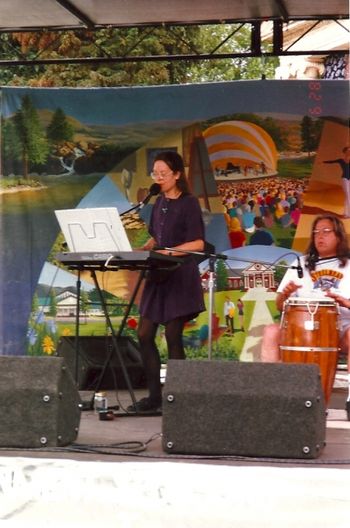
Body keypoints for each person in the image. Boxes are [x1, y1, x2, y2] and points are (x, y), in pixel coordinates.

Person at [128, 151, 206, 414]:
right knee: (144, 333)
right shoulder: (157, 202)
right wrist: (142, 250)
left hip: (180, 274)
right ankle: (154, 398)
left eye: (163, 173)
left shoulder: (189, 203)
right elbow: (155, 239)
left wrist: (167, 252)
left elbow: (198, 243)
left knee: (173, 334)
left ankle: (178, 398)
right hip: (158, 275)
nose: (158, 177)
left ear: (176, 174)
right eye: (155, 173)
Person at [261, 213, 350, 420]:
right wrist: (283, 295)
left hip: (340, 327)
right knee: (271, 331)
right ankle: (274, 396)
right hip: (299, 328)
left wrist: (345, 302)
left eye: (326, 231)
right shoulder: (299, 264)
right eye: (316, 232)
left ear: (338, 235)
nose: (320, 236)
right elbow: (281, 306)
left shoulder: (348, 265)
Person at [323, 146, 350, 218]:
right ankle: (348, 213)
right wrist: (322, 162)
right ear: (344, 152)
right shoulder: (341, 160)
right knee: (347, 194)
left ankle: (346, 213)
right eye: (347, 151)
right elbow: (332, 162)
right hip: (345, 178)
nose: (349, 152)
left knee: (348, 196)